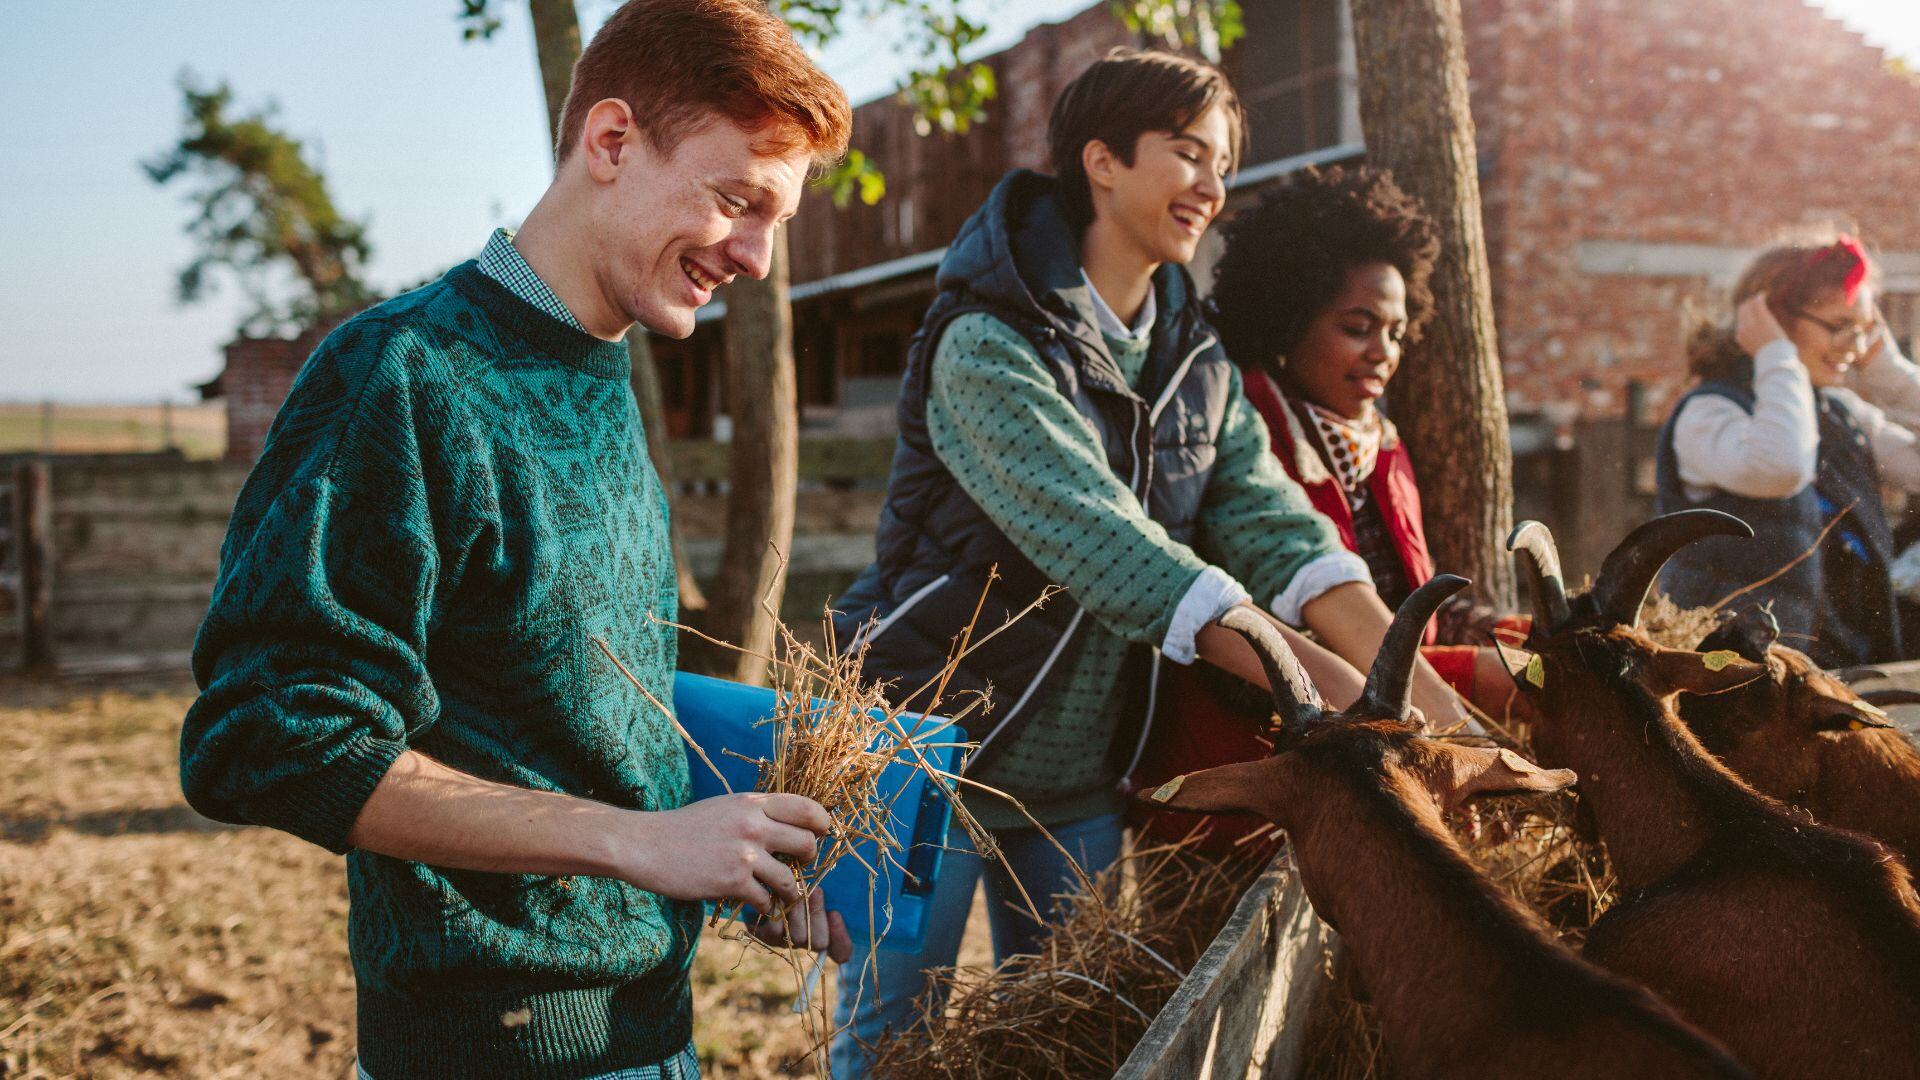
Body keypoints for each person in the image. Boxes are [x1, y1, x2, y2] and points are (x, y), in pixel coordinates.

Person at [178, 4, 853, 1077]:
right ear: (613, 142)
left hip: (652, 1033)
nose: (758, 259)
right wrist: (639, 843)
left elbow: (562, 709)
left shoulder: (606, 371)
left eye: (772, 223)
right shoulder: (399, 378)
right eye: (737, 203)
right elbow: (265, 737)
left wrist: (726, 853)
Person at [827, 49, 1472, 1074]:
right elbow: (1111, 549)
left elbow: (1282, 535)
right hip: (921, 749)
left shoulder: (1199, 362)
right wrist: (1346, 704)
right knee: (891, 1041)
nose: (1211, 186)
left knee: (1068, 1040)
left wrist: (1436, 713)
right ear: (1103, 163)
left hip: (1076, 772)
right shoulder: (985, 343)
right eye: (1187, 153)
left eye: (1221, 163)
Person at [1130, 164, 1519, 853]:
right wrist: (1479, 675)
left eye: (1396, 332)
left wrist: (1517, 636)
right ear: (1288, 317)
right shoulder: (1248, 422)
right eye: (1357, 326)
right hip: (1258, 774)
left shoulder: (1381, 442)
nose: (1383, 354)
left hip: (1380, 723)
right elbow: (1273, 648)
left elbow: (1403, 608)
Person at [1655, 233, 1920, 667]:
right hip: (1745, 684)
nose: (1854, 346)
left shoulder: (1837, 413)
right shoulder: (1710, 412)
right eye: (1839, 326)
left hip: (1845, 671)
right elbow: (1782, 466)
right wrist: (1776, 355)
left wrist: (1887, 371)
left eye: (1866, 330)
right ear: (1772, 316)